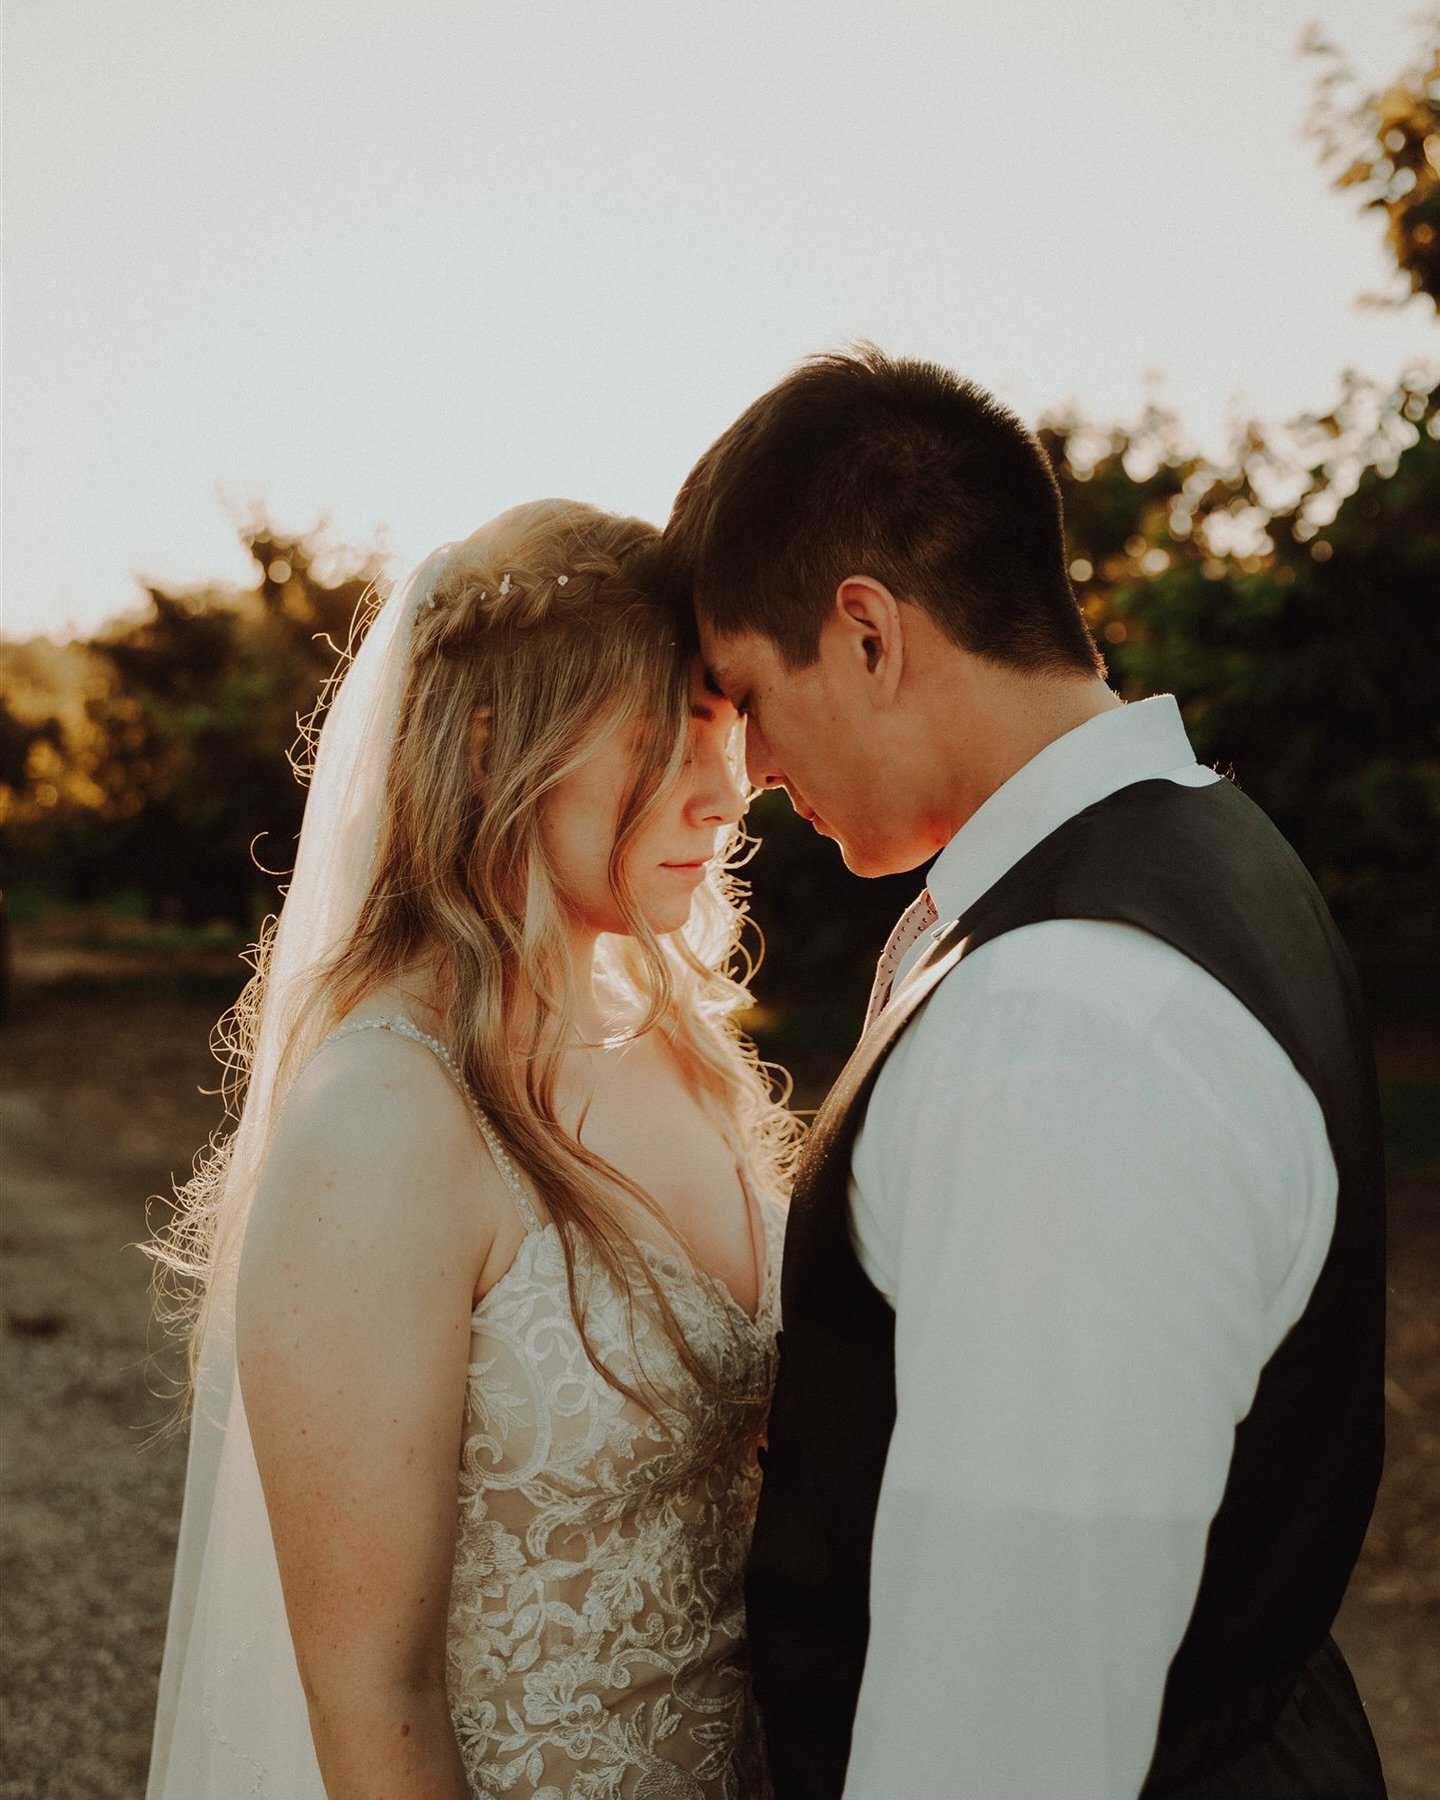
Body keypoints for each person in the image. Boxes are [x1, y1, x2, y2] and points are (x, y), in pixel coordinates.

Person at [662, 349, 1388, 1799]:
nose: (738, 767)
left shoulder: (1065, 1031)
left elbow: (1005, 1727)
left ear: (866, 634)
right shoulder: (1195, 855)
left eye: (745, 690)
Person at [145, 499, 797, 1799]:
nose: (726, 792)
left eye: (727, 731)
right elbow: (372, 1698)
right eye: (666, 736)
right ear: (497, 744)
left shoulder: (686, 1050)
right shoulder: (385, 1124)